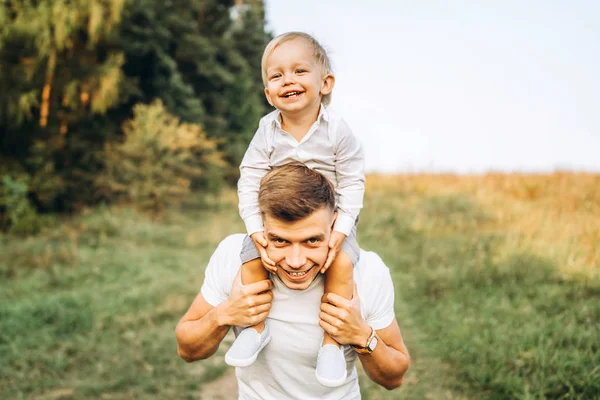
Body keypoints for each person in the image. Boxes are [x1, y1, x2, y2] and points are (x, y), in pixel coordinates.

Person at [176, 163, 410, 399]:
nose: (296, 261)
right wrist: (224, 314)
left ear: (335, 225)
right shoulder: (233, 255)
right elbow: (187, 350)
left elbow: (394, 378)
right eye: (280, 241)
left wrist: (361, 335)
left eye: (311, 241)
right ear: (261, 227)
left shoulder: (368, 271)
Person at [235, 31, 365, 387]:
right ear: (268, 93)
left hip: (327, 222)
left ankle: (332, 344)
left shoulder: (337, 129)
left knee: (340, 264)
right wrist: (255, 228)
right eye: (276, 76)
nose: (287, 80)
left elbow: (353, 181)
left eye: (298, 71)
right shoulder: (266, 130)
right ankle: (255, 328)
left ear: (325, 83)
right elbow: (249, 178)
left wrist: (340, 232)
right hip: (278, 219)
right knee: (249, 258)